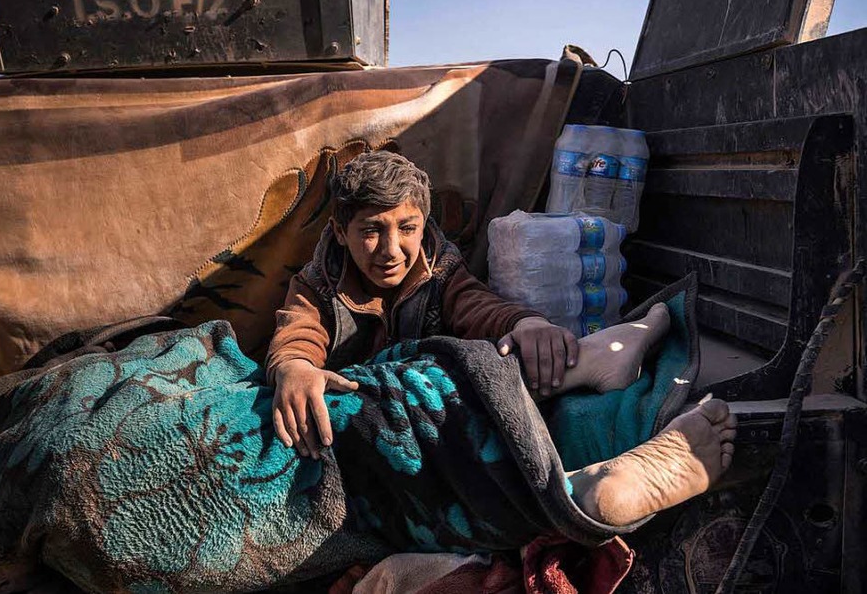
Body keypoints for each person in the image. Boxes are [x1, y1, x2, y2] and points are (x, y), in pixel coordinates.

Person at [266, 150, 736, 527]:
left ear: (423, 225)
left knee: (493, 360)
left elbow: (476, 306)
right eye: (371, 231)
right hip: (391, 416)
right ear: (340, 232)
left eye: (406, 229)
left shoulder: (438, 269)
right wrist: (295, 366)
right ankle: (580, 491)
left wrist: (524, 323)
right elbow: (299, 330)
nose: (391, 250)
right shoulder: (318, 283)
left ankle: (604, 426)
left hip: (444, 400)